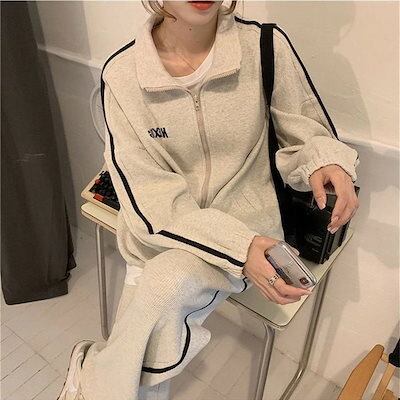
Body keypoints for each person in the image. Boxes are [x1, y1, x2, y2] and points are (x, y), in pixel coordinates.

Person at [58, 1, 360, 399]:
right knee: (154, 325)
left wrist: (325, 161)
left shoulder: (264, 47)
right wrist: (239, 248)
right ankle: (100, 379)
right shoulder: (123, 75)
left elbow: (306, 130)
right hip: (164, 234)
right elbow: (148, 194)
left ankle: (93, 375)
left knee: (159, 298)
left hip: (246, 228)